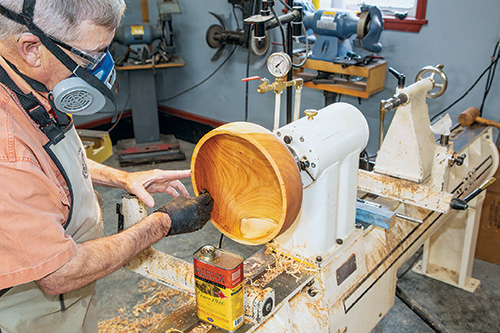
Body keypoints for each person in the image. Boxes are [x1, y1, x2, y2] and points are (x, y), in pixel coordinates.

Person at [0, 1, 214, 332]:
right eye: (92, 55)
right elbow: (59, 272)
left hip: (75, 292)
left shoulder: (34, 83)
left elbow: (49, 162)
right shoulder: (6, 146)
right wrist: (162, 223)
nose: (103, 69)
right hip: (33, 307)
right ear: (31, 49)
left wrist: (123, 178)